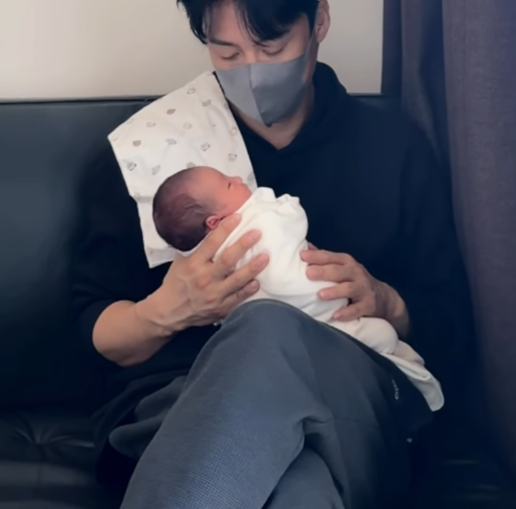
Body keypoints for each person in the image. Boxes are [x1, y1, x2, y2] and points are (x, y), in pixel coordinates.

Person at [71, 0, 475, 509]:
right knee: (297, 495)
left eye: (271, 44)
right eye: (227, 54)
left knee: (267, 329)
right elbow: (90, 332)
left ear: (319, 22)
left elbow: (455, 327)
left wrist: (387, 302)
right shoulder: (156, 157)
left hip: (358, 424)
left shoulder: (393, 151)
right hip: (175, 415)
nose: (252, 71)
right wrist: (166, 310)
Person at [152, 166, 444, 412]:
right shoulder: (259, 219)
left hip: (290, 369)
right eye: (229, 184)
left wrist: (390, 304)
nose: (239, 179)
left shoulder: (205, 256)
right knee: (380, 336)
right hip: (275, 354)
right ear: (214, 221)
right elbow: (288, 220)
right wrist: (285, 204)